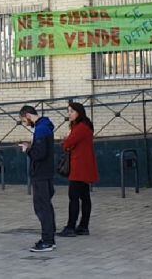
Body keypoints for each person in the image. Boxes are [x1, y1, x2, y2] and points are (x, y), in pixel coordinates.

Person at [19, 105, 56, 253]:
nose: (25, 123)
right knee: (46, 206)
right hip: (45, 172)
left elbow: (39, 154)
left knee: (42, 207)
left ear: (28, 115)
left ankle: (48, 241)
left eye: (23, 120)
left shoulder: (41, 129)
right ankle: (49, 238)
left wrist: (27, 150)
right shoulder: (45, 126)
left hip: (41, 173)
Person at [59, 102, 99, 237]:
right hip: (84, 166)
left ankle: (71, 226)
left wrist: (67, 141)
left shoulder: (80, 127)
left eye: (71, 111)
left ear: (79, 113)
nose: (69, 114)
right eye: (68, 111)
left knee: (74, 198)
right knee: (84, 197)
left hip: (79, 167)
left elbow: (67, 144)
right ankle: (83, 226)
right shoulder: (85, 126)